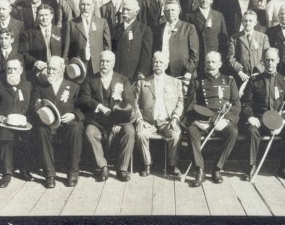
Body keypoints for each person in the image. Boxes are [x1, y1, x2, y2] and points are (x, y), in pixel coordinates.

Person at [184, 51, 241, 186]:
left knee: (233, 131)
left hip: (222, 120)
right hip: (203, 120)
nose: (210, 65)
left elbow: (236, 104)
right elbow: (190, 104)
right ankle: (200, 169)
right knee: (191, 130)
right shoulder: (197, 81)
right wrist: (196, 121)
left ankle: (217, 168)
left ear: (220, 64)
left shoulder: (229, 80)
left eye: (213, 62)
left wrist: (227, 120)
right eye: (208, 62)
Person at [242, 48, 285, 181]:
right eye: (267, 60)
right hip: (260, 120)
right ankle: (251, 166)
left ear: (278, 61)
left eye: (273, 60)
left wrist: (281, 123)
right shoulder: (254, 80)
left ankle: (284, 167)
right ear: (263, 61)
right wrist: (251, 117)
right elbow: (246, 103)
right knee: (251, 130)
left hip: (279, 120)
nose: (270, 63)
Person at [79, 50, 136, 182]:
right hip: (98, 121)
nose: (104, 64)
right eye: (102, 61)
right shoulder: (91, 79)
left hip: (119, 120)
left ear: (113, 63)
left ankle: (122, 168)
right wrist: (99, 106)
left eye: (107, 61)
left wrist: (119, 122)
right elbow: (84, 98)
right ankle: (103, 167)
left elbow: (130, 104)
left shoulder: (123, 80)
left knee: (130, 131)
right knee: (89, 132)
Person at [31, 56, 84, 188]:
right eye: (49, 68)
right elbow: (34, 107)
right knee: (41, 130)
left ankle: (73, 173)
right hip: (48, 124)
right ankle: (49, 175)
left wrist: (74, 115)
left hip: (67, 125)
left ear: (62, 70)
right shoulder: (40, 87)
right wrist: (37, 108)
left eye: (54, 69)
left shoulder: (74, 86)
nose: (50, 72)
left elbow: (82, 109)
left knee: (76, 127)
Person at [134, 52, 183, 177]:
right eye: (156, 62)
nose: (158, 65)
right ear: (152, 64)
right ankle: (147, 164)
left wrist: (175, 118)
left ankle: (171, 165)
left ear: (166, 65)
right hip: (148, 121)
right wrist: (139, 120)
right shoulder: (142, 82)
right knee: (140, 134)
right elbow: (135, 104)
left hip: (167, 121)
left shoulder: (175, 82)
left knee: (175, 135)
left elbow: (180, 102)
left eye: (161, 62)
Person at [0, 58, 33, 188]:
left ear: (21, 70)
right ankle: (7, 173)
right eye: (9, 69)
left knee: (29, 135)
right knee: (6, 134)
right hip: (5, 123)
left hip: (23, 123)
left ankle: (24, 169)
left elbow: (31, 108)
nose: (12, 71)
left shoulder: (28, 86)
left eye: (15, 69)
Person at [152, 0, 200, 83]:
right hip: (164, 73)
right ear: (164, 12)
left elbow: (195, 54)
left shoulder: (188, 28)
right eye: (167, 10)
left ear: (178, 11)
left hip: (184, 75)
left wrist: (188, 71)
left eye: (173, 10)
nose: (170, 13)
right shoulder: (159, 29)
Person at [184, 0, 228, 77]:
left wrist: (222, 58)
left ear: (211, 0)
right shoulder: (190, 16)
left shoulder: (218, 15)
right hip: (199, 57)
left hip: (214, 58)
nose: (204, 0)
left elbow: (224, 40)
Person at [63, 0, 111, 75]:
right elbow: (66, 47)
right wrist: (65, 61)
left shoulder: (102, 22)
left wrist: (107, 62)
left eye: (88, 5)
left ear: (93, 6)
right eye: (83, 4)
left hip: (97, 63)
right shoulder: (71, 24)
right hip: (78, 64)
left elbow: (107, 46)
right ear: (79, 6)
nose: (85, 7)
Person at [112, 0, 153, 83]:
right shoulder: (115, 30)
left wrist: (142, 73)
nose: (125, 12)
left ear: (136, 12)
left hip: (134, 75)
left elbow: (146, 55)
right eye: (123, 9)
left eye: (128, 10)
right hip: (117, 73)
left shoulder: (144, 30)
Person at [19, 5, 63, 81]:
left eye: (46, 15)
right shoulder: (28, 34)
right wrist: (35, 62)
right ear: (37, 17)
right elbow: (22, 53)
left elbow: (66, 51)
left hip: (58, 74)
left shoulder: (60, 31)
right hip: (38, 74)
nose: (44, 18)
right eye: (41, 15)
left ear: (52, 16)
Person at [228, 10, 270, 84]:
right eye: (245, 21)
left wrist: (258, 70)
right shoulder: (234, 38)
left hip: (259, 76)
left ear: (255, 22)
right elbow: (230, 58)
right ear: (242, 22)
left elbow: (266, 56)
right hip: (241, 77)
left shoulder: (263, 37)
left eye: (250, 21)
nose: (248, 23)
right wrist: (240, 72)